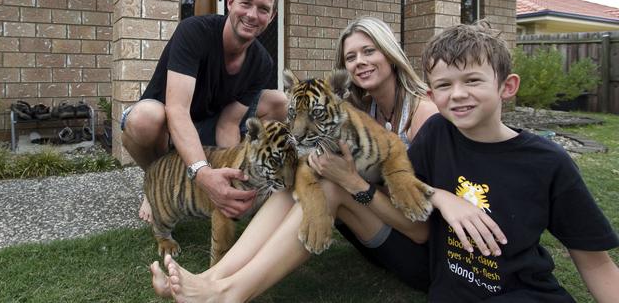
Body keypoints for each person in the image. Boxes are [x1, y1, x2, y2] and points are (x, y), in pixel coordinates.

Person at [150, 17, 507, 302]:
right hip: (376, 221)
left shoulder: (425, 115)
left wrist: (355, 183)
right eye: (351, 57)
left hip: (419, 245)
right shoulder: (362, 108)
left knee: (331, 187)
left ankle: (229, 293)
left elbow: (423, 222)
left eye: (370, 51)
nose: (361, 62)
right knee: (299, 182)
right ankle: (214, 277)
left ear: (390, 53)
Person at [407, 21, 619, 301]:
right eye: (444, 84)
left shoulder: (548, 162)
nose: (457, 94)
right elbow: (399, 182)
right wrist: (441, 197)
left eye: (472, 80)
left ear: (507, 86)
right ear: (432, 96)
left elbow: (596, 263)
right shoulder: (435, 133)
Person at [120, 0, 288, 223]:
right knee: (143, 118)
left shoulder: (262, 62)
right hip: (166, 125)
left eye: (263, 9)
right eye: (246, 3)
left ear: (272, 16)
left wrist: (232, 177)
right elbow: (176, 111)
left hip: (207, 124)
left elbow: (229, 123)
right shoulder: (194, 31)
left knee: (280, 102)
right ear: (230, 2)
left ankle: (210, 174)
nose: (253, 15)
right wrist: (202, 172)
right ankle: (156, 183)